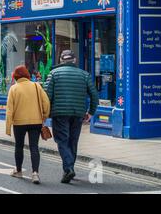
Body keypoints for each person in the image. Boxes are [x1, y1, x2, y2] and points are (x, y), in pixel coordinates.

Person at [44, 49, 99, 184]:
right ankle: (69, 169)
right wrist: (90, 112)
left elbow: (46, 96)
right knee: (73, 142)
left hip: (60, 113)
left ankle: (68, 169)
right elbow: (95, 96)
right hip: (78, 113)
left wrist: (44, 114)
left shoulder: (54, 74)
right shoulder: (84, 75)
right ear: (74, 60)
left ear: (61, 61)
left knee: (62, 141)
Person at [6, 65, 50, 184]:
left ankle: (19, 171)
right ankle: (35, 173)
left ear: (15, 77)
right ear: (27, 75)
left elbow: (9, 109)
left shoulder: (14, 89)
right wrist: (44, 117)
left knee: (19, 146)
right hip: (36, 122)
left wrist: (8, 127)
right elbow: (46, 103)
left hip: (19, 123)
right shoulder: (36, 86)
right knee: (34, 147)